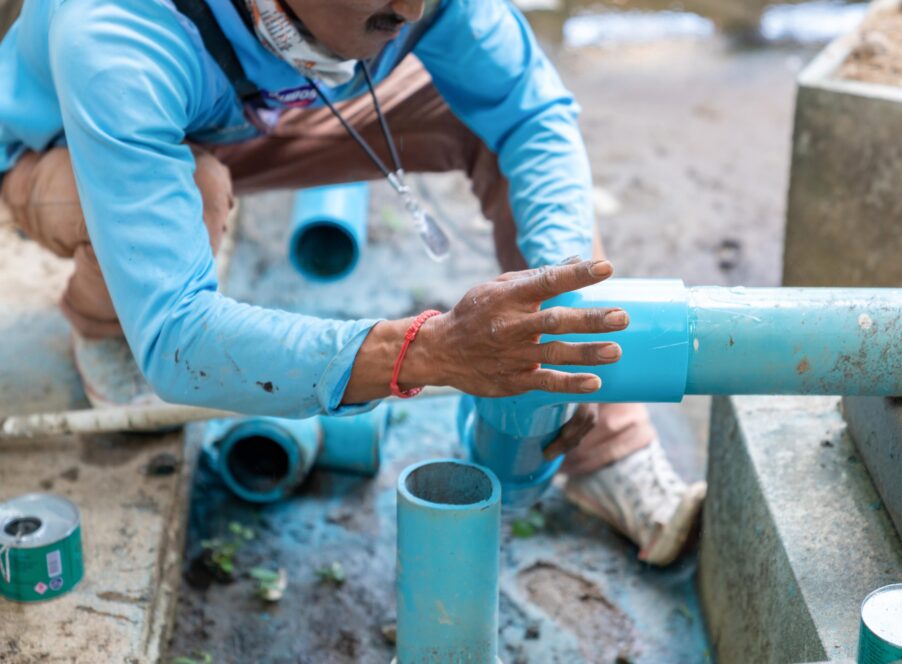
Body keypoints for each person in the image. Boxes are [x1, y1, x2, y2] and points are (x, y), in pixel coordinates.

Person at [0, 0, 704, 565]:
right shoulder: (116, 30)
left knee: (487, 120)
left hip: (257, 111)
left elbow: (529, 110)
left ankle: (607, 445)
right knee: (195, 188)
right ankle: (100, 322)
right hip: (72, 150)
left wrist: (557, 304)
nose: (414, 7)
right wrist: (429, 351)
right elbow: (181, 340)